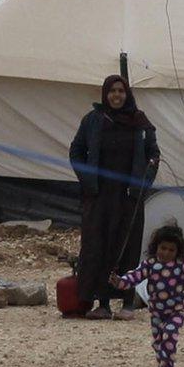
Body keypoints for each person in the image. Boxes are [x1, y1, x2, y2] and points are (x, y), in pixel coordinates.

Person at [69, 74, 160, 320]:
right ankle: (102, 303)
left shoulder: (140, 122)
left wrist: (144, 183)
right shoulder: (93, 120)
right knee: (97, 246)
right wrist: (87, 179)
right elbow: (76, 150)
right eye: (112, 91)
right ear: (105, 94)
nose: (116, 96)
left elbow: (153, 154)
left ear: (127, 94)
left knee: (127, 246)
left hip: (128, 196)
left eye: (120, 91)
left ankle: (128, 303)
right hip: (99, 195)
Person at [112, 223, 184, 367]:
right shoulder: (149, 265)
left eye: (171, 250)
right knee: (159, 342)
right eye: (163, 248)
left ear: (178, 251)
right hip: (157, 313)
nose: (166, 253)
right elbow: (134, 277)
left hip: (177, 310)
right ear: (156, 247)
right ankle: (163, 366)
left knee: (170, 335)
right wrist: (119, 282)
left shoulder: (182, 264)